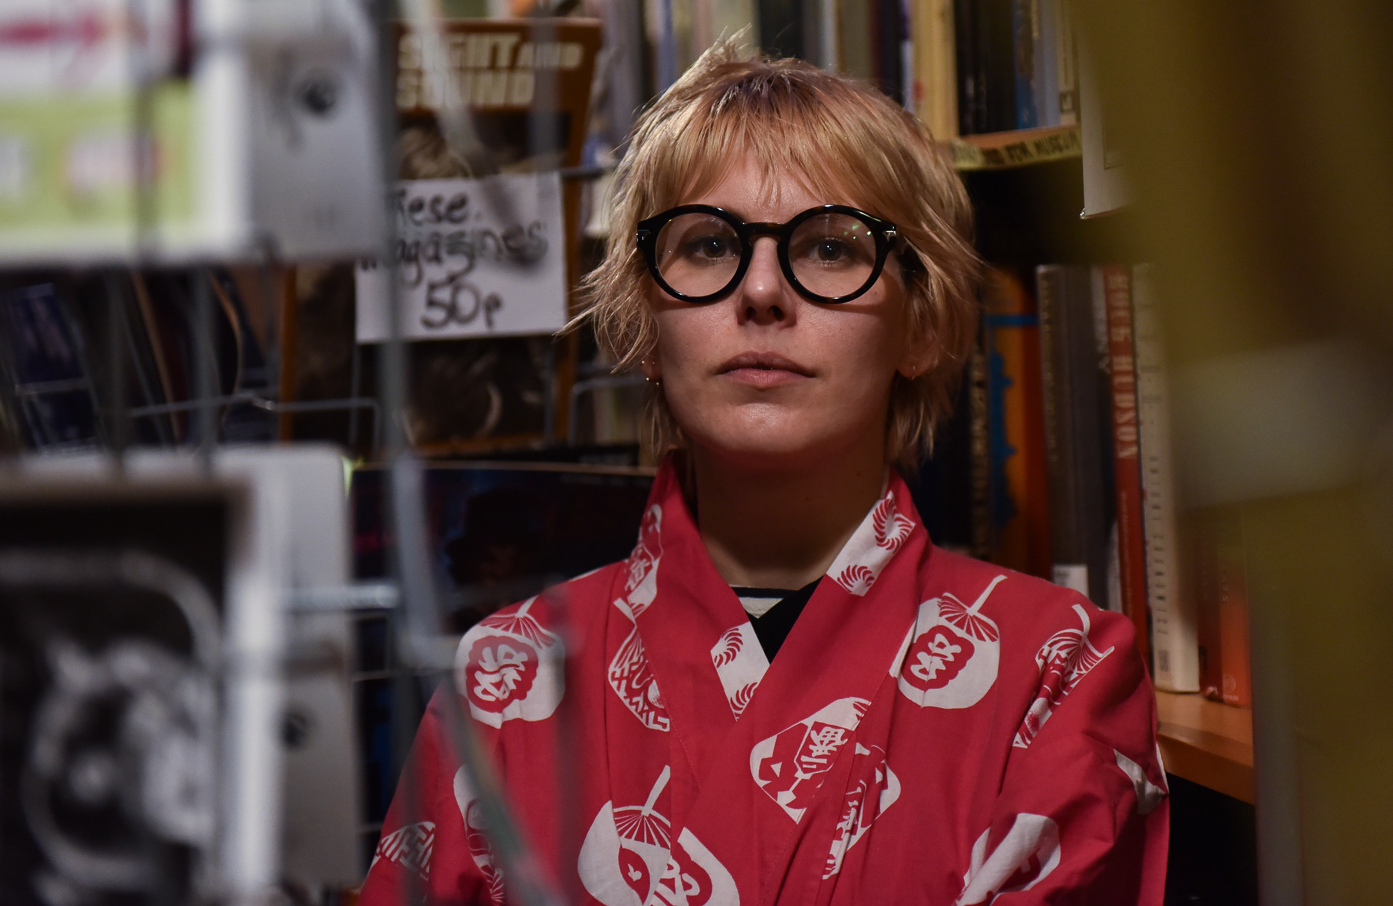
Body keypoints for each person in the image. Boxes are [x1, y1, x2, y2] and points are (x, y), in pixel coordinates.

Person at [357, 47, 1169, 906]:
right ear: (645, 325)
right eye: (710, 244)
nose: (763, 290)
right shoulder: (506, 676)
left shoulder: (1059, 671)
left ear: (921, 323)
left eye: (830, 247)